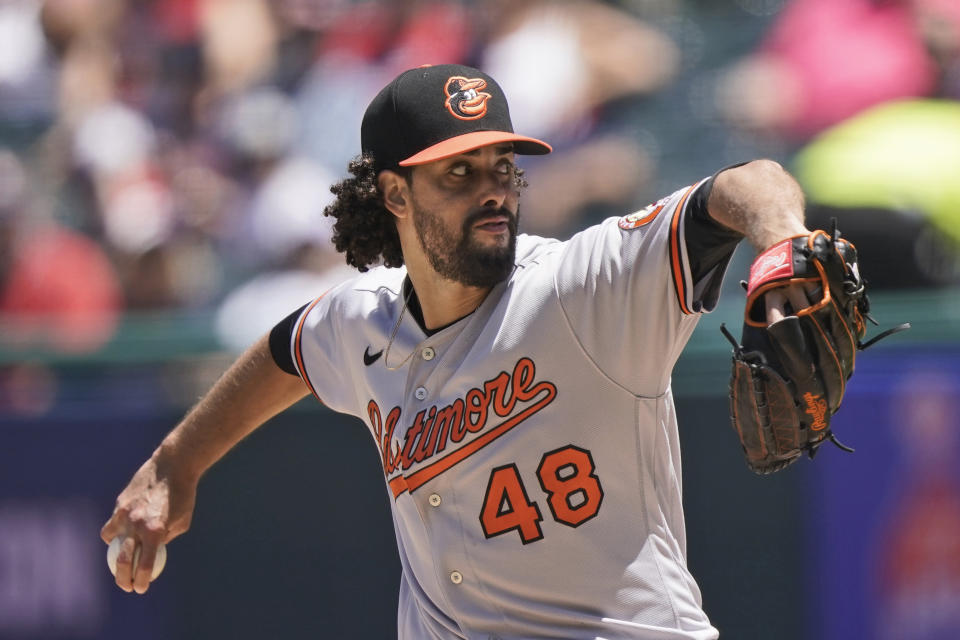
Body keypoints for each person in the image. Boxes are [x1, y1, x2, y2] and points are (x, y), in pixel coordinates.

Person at [101, 63, 813, 639]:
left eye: (501, 167)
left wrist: (784, 241)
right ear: (394, 194)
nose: (493, 192)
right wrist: (176, 463)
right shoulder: (363, 322)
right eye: (458, 174)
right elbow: (287, 350)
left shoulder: (583, 286)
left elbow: (748, 185)